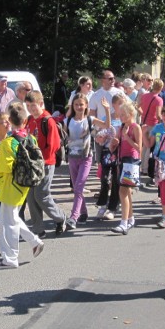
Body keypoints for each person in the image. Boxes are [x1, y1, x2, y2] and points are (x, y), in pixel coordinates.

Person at [0, 102, 45, 269]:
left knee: (8, 223)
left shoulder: (8, 143)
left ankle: (10, 258)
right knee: (12, 218)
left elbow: (5, 168)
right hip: (25, 183)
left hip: (11, 185)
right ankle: (34, 242)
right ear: (25, 120)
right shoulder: (30, 137)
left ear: (10, 121)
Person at [25, 91, 68, 236]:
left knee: (41, 195)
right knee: (31, 196)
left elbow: (54, 145)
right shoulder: (29, 119)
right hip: (32, 164)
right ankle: (38, 229)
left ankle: (60, 217)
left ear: (41, 103)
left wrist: (41, 160)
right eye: (28, 106)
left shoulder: (48, 120)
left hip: (45, 163)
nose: (31, 109)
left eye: (33, 105)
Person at [64, 94, 110, 229]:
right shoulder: (68, 121)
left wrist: (107, 110)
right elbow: (64, 138)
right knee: (77, 189)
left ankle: (73, 217)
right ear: (73, 106)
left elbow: (106, 125)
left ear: (86, 106)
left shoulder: (90, 119)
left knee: (78, 187)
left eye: (81, 104)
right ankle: (83, 213)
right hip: (72, 157)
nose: (79, 107)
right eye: (76, 104)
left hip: (86, 157)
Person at [111, 102, 142, 235]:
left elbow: (139, 148)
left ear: (130, 114)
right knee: (126, 191)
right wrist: (114, 143)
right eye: (120, 114)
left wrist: (126, 137)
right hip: (122, 160)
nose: (121, 116)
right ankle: (130, 218)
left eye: (123, 114)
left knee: (122, 191)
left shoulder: (135, 127)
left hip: (132, 161)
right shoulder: (122, 127)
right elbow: (114, 146)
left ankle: (124, 223)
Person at [94, 93, 125, 221]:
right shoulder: (106, 118)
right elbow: (100, 134)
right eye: (120, 104)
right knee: (105, 179)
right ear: (114, 105)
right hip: (107, 152)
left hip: (119, 152)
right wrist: (100, 138)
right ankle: (102, 205)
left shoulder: (125, 119)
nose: (123, 107)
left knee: (116, 181)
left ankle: (113, 208)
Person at [138, 78, 164, 175]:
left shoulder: (145, 96)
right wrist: (163, 120)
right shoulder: (159, 99)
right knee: (149, 147)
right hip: (153, 124)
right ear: (160, 87)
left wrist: (142, 113)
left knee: (144, 147)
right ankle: (145, 168)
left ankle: (142, 167)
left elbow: (137, 106)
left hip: (144, 123)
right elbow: (158, 115)